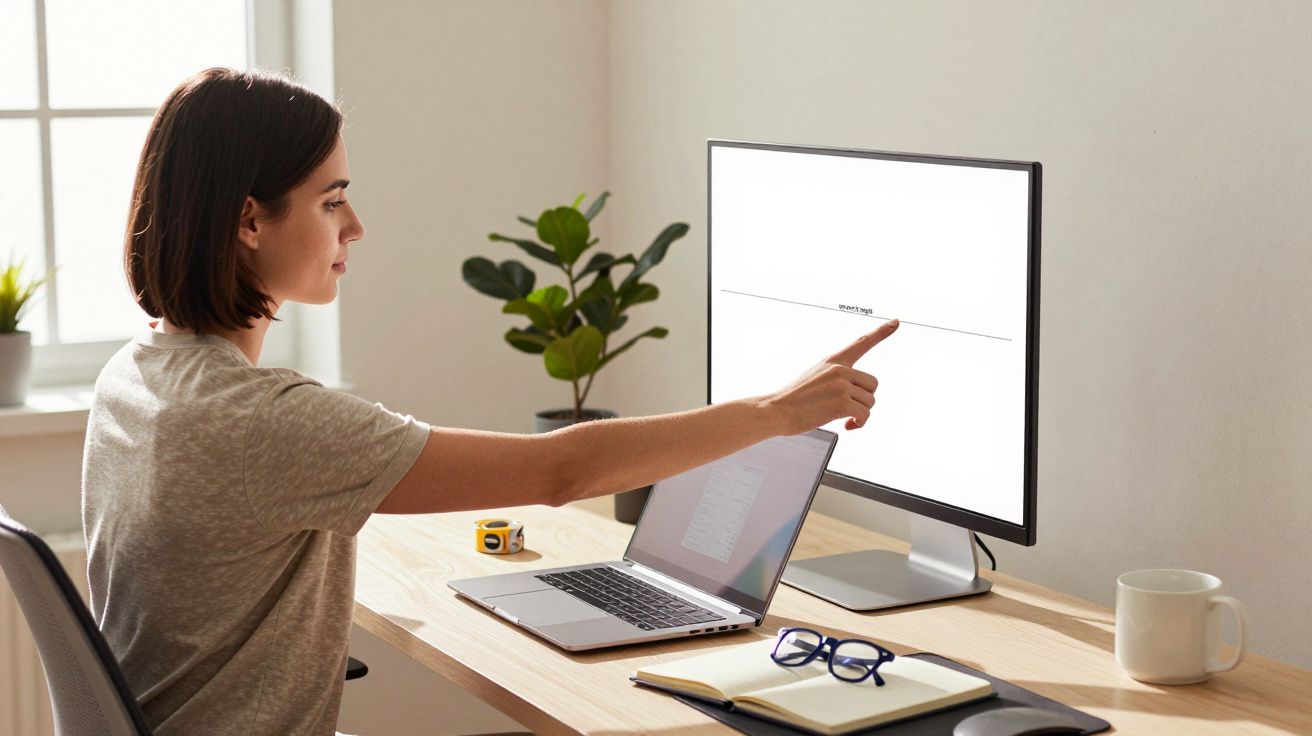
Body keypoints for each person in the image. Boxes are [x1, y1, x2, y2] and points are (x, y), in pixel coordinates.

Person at [81, 67, 898, 735]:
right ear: (249, 221)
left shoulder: (137, 375)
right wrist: (778, 412)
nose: (355, 226)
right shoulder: (261, 421)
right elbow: (561, 471)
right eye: (332, 201)